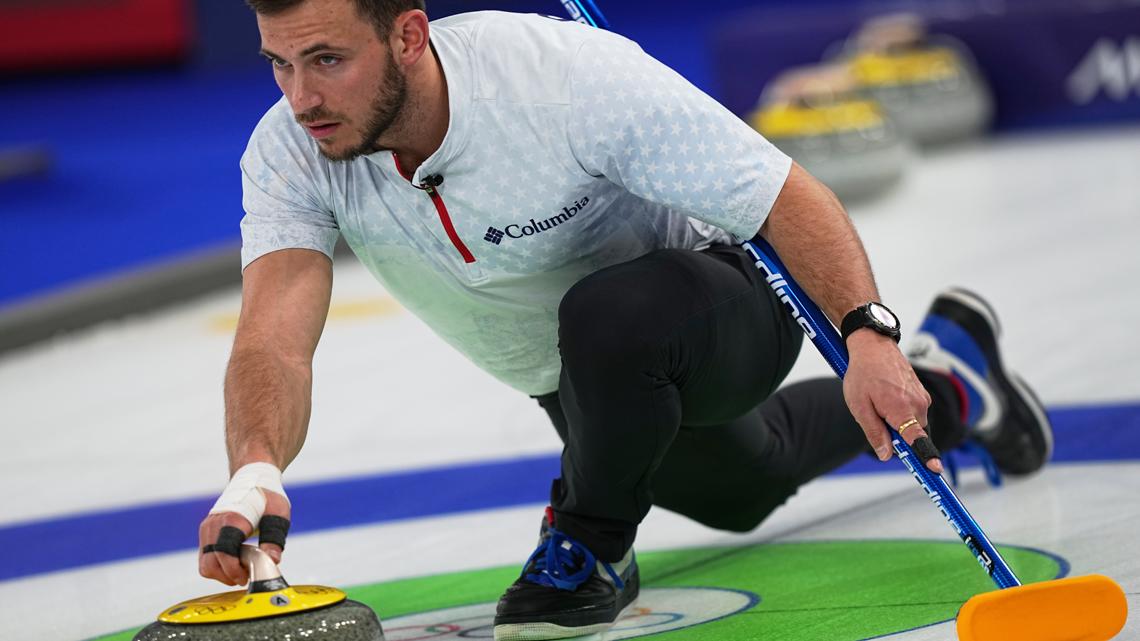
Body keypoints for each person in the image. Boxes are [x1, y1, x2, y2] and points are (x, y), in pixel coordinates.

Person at [196, 1, 1053, 639]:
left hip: (723, 300)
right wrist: (254, 468)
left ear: (409, 36)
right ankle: (958, 382)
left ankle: (590, 543)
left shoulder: (556, 76)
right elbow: (273, 335)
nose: (301, 97)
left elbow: (787, 195)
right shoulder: (292, 153)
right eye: (279, 64)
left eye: (325, 60)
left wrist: (868, 334)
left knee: (607, 316)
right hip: (582, 378)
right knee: (747, 485)